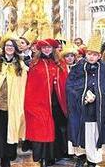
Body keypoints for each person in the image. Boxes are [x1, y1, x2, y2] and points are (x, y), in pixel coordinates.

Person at [67, 34, 105, 167]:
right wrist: (84, 95)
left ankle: (93, 158)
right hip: (80, 108)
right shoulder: (78, 67)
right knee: (81, 131)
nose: (92, 57)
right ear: (86, 54)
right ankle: (81, 156)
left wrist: (97, 95)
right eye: (90, 54)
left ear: (99, 56)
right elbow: (70, 85)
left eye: (95, 54)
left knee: (93, 134)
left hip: (96, 109)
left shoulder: (103, 68)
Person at [24, 38, 69, 167]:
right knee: (41, 130)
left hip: (57, 103)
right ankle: (41, 157)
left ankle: (54, 156)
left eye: (49, 47)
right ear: (40, 49)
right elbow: (31, 85)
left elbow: (64, 80)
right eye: (44, 48)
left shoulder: (60, 63)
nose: (47, 49)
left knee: (56, 130)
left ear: (54, 49)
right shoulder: (34, 64)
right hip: (40, 102)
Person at [0, 32, 28, 167]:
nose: (9, 48)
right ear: (3, 47)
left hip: (12, 107)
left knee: (8, 135)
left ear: (15, 48)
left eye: (12, 45)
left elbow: (23, 86)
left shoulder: (20, 66)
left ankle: (6, 160)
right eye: (7, 45)